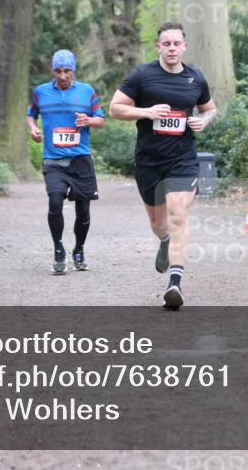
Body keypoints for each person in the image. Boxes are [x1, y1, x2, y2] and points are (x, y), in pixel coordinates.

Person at [109, 22, 216, 309]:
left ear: (184, 46)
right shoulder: (142, 76)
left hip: (183, 159)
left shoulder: (196, 78)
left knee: (178, 214)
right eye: (165, 44)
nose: (171, 48)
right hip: (148, 161)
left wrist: (202, 121)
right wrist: (146, 111)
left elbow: (210, 109)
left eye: (176, 43)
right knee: (158, 223)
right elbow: (115, 108)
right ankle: (164, 240)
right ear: (158, 47)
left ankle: (175, 283)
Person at [27, 50, 105, 275]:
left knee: (83, 211)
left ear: (74, 71)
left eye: (67, 71)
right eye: (58, 71)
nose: (62, 76)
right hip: (53, 159)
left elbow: (101, 120)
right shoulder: (41, 92)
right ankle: (58, 249)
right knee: (54, 202)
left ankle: (79, 250)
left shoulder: (86, 91)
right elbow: (31, 113)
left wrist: (89, 120)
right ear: (53, 71)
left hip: (80, 159)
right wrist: (33, 128)